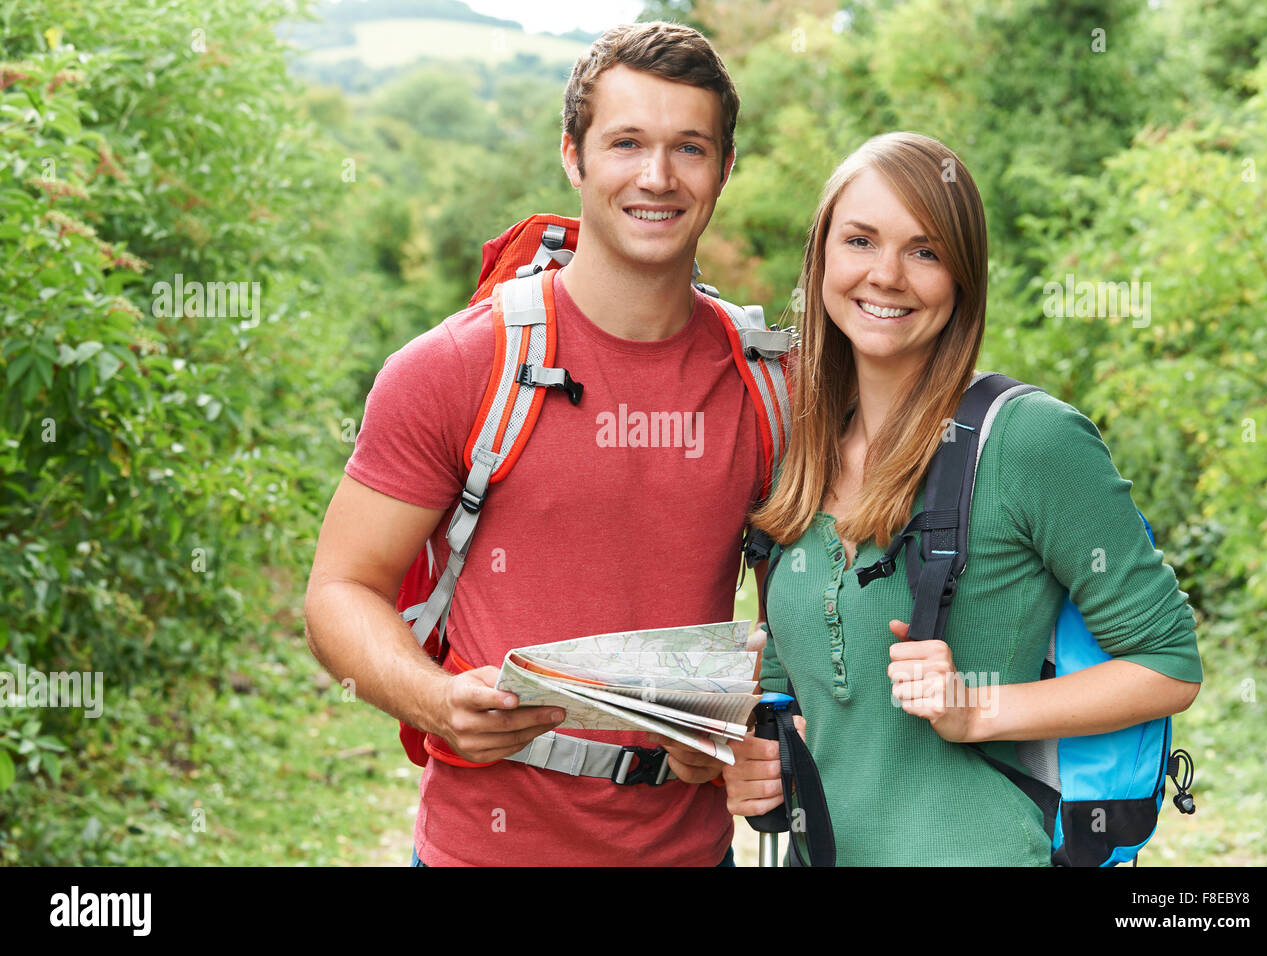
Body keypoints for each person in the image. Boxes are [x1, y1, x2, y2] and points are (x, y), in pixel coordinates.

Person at [304, 22, 764, 867]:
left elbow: (811, 624)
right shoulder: (453, 367)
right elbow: (339, 591)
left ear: (724, 168)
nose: (656, 177)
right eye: (626, 143)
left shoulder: (771, 385)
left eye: (688, 148)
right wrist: (435, 698)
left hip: (693, 853)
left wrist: (750, 726)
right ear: (573, 155)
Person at [722, 131, 1203, 865]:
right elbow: (797, 693)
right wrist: (757, 764)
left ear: (962, 278)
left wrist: (978, 707)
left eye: (924, 251)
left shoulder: (1031, 441)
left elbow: (1169, 663)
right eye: (860, 240)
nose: (886, 274)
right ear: (821, 257)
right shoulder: (797, 451)